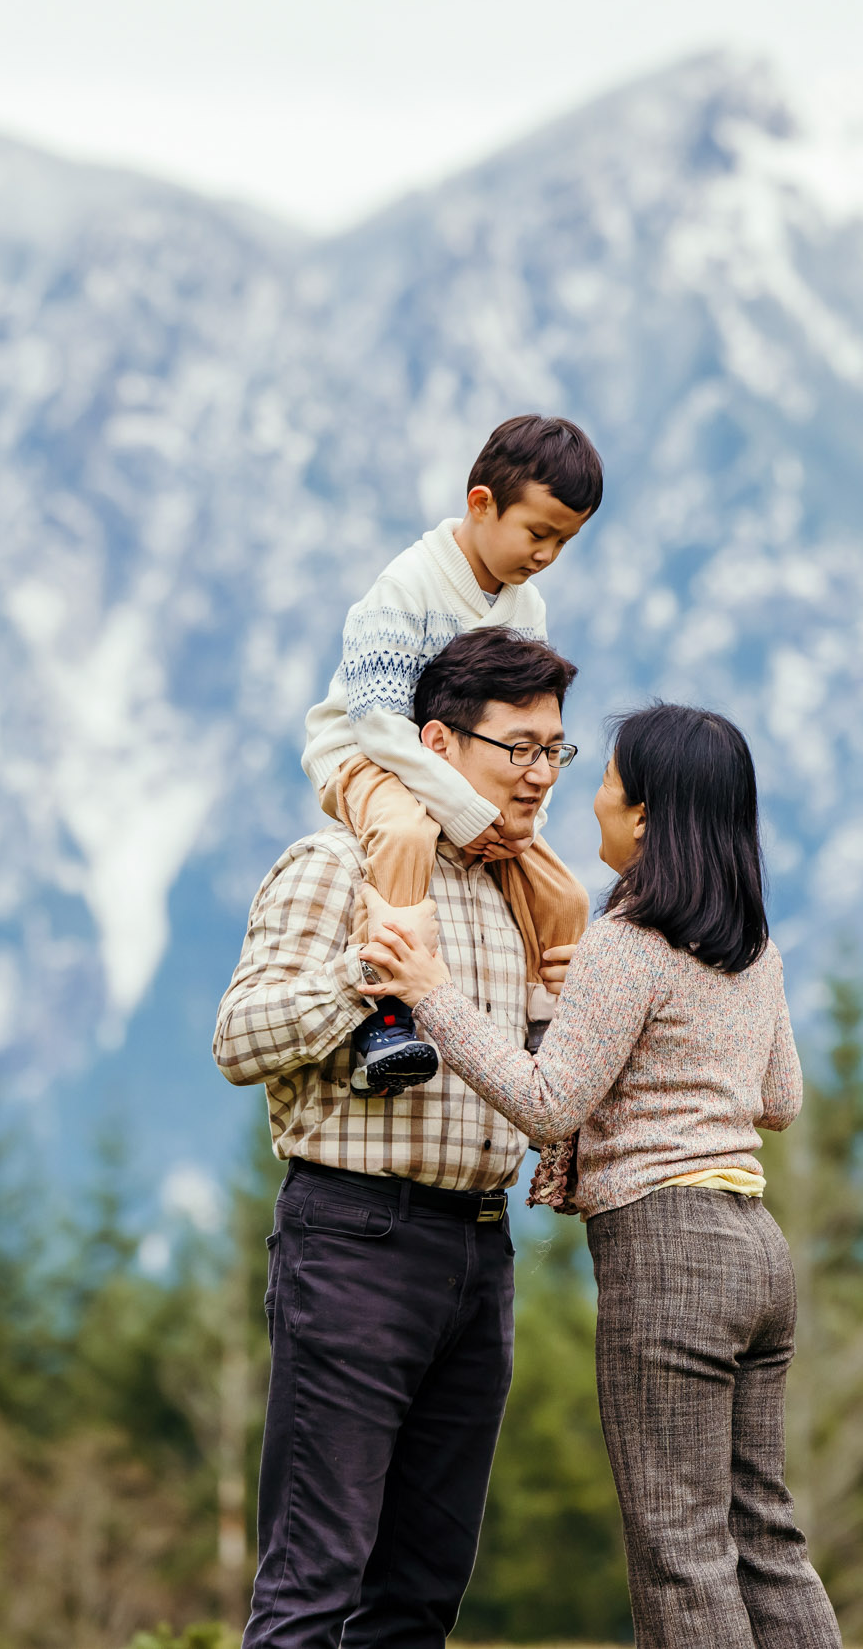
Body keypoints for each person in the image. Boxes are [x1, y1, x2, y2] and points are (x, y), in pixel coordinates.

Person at [362, 703, 845, 1649]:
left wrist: (430, 994)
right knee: (765, 1534)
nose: (590, 798)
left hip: (670, 1254)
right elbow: (780, 1097)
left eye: (608, 781)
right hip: (757, 1250)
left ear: (647, 815)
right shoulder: (753, 948)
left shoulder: (628, 942)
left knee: (680, 1544)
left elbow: (548, 1104)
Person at [213, 627, 586, 1649]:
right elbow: (238, 1039)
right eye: (518, 746)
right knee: (315, 1578)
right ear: (437, 742)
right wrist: (360, 975)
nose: (541, 773)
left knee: (422, 1594)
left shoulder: (520, 895)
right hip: (356, 1238)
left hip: (483, 1251)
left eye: (555, 749)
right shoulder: (337, 865)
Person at [302, 414, 602, 1089]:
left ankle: (546, 1023)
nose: (547, 554)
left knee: (563, 891)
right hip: (365, 757)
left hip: (467, 777)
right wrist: (464, 810)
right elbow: (378, 722)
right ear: (482, 503)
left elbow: (527, 728)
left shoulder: (527, 610)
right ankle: (387, 1014)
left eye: (564, 541)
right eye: (538, 533)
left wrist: (523, 822)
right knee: (405, 833)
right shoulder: (408, 585)